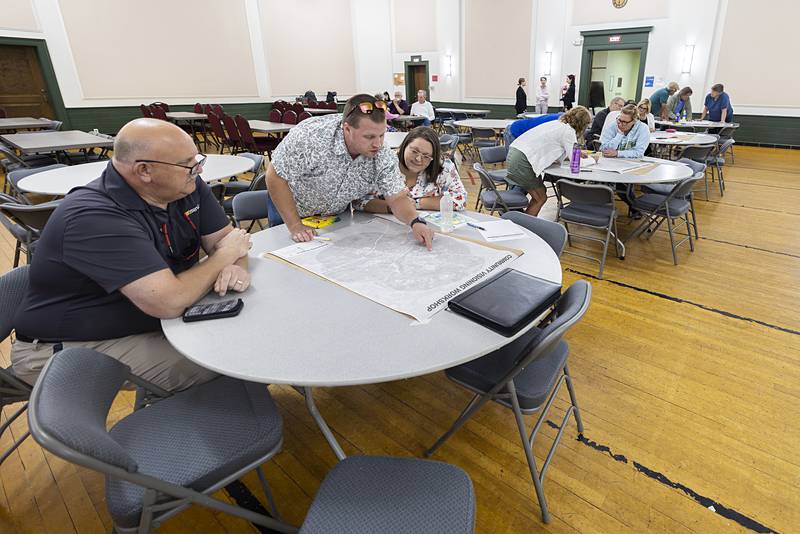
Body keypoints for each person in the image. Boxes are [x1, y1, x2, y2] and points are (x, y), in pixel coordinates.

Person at [11, 118, 253, 391]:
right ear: (145, 170)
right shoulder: (93, 216)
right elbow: (169, 302)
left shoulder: (185, 186)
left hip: (154, 317)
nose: (198, 169)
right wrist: (223, 258)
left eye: (198, 159)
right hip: (67, 348)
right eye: (189, 164)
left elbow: (230, 240)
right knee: (224, 358)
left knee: (242, 334)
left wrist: (238, 266)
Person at [266, 93, 435, 249]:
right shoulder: (311, 136)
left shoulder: (381, 153)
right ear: (347, 129)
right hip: (291, 211)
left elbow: (397, 197)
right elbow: (275, 176)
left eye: (382, 135)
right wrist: (295, 226)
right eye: (369, 137)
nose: (378, 144)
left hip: (334, 216)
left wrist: (415, 221)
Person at [354, 127, 467, 213]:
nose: (418, 159)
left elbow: (460, 199)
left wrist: (417, 203)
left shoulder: (444, 167)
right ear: (404, 146)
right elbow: (358, 200)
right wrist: (395, 207)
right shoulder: (383, 163)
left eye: (426, 156)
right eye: (414, 151)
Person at [505, 106, 592, 216]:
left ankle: (523, 223)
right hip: (522, 160)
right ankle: (524, 227)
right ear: (582, 124)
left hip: (514, 154)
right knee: (540, 198)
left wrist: (574, 155)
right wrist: (593, 159)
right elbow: (575, 163)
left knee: (540, 195)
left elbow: (554, 150)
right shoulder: (568, 131)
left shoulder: (558, 124)